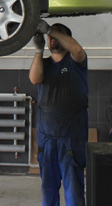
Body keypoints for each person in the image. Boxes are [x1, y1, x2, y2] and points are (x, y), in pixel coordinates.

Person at [29, 20, 88, 206]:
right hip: (47, 135)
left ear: (66, 38)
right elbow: (34, 79)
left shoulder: (75, 61)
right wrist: (38, 51)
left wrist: (50, 30)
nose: (51, 38)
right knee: (48, 187)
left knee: (73, 187)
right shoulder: (44, 63)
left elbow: (77, 49)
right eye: (50, 36)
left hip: (71, 135)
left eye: (57, 34)